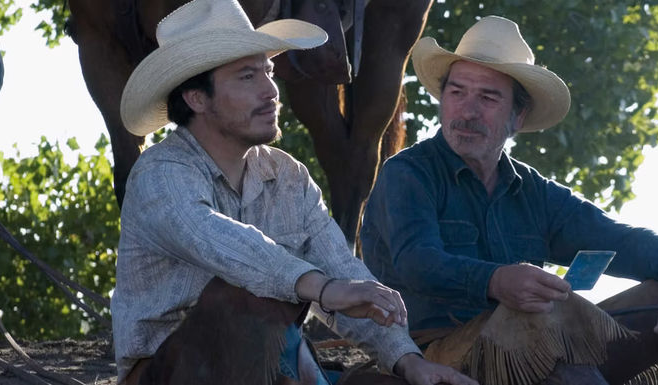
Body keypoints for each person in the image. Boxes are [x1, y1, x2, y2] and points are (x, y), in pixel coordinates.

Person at [110, 1, 478, 384]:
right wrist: (321, 288)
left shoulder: (288, 176)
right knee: (235, 302)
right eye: (247, 77)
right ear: (197, 98)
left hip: (269, 368)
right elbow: (223, 243)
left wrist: (407, 359)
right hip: (170, 373)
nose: (271, 90)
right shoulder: (159, 173)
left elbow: (344, 270)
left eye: (268, 72)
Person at [360, 15, 658, 384]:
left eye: (488, 97)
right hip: (433, 351)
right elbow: (418, 261)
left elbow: (617, 237)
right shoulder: (408, 173)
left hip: (533, 340)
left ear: (518, 116)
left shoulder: (534, 191)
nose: (467, 111)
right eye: (457, 92)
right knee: (542, 328)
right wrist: (495, 281)